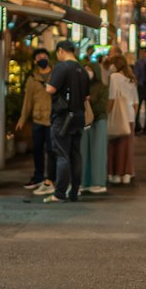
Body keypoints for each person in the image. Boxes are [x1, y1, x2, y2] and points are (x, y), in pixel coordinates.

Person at [45, 39, 91, 202]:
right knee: (75, 154)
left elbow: (50, 89)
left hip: (63, 118)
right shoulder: (83, 70)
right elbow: (87, 96)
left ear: (61, 51)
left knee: (62, 154)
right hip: (79, 116)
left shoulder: (62, 67)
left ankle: (59, 193)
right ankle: (75, 191)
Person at [16, 47, 56, 195]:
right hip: (38, 119)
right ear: (35, 61)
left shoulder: (55, 75)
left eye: (44, 56)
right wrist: (22, 119)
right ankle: (39, 176)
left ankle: (51, 179)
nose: (42, 58)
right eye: (39, 57)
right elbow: (28, 101)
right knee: (37, 150)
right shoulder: (32, 79)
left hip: (52, 119)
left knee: (52, 151)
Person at [106, 53, 138, 185]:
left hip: (117, 114)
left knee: (114, 145)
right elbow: (136, 101)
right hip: (129, 115)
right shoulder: (130, 79)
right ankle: (127, 173)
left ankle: (115, 174)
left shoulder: (113, 77)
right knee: (127, 146)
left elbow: (111, 98)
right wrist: (133, 116)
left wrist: (107, 112)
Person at [81, 55, 109, 195]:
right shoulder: (81, 86)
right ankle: (85, 181)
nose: (87, 72)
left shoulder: (102, 87)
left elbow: (103, 106)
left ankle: (98, 182)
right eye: (85, 69)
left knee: (98, 151)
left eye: (89, 69)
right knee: (84, 152)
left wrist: (88, 103)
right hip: (85, 122)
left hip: (98, 121)